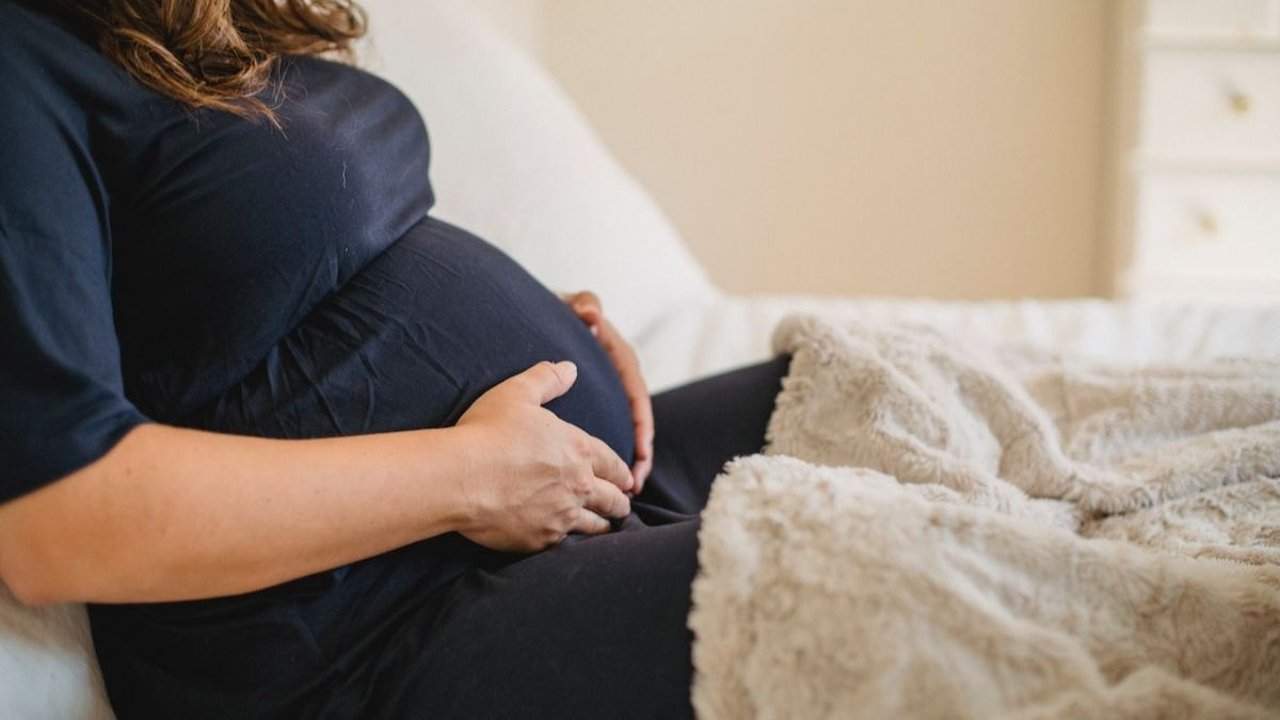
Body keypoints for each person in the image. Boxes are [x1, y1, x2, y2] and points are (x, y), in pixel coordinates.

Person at [0, 0, 789, 717]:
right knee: (867, 577)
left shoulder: (182, 33)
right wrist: (474, 476)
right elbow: (56, 523)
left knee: (872, 390)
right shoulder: (20, 56)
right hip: (371, 629)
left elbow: (247, 277)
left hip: (545, 513)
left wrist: (553, 320)